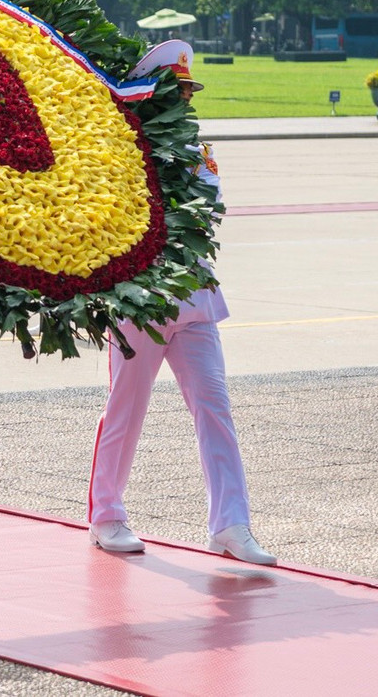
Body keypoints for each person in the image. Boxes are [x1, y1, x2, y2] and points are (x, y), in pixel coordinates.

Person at [87, 41, 275, 566]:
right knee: (125, 409)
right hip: (138, 301)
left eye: (188, 92)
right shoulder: (117, 148)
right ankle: (106, 515)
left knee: (215, 408)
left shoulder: (195, 149)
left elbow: (208, 207)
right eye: (177, 92)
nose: (185, 102)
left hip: (192, 298)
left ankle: (231, 525)